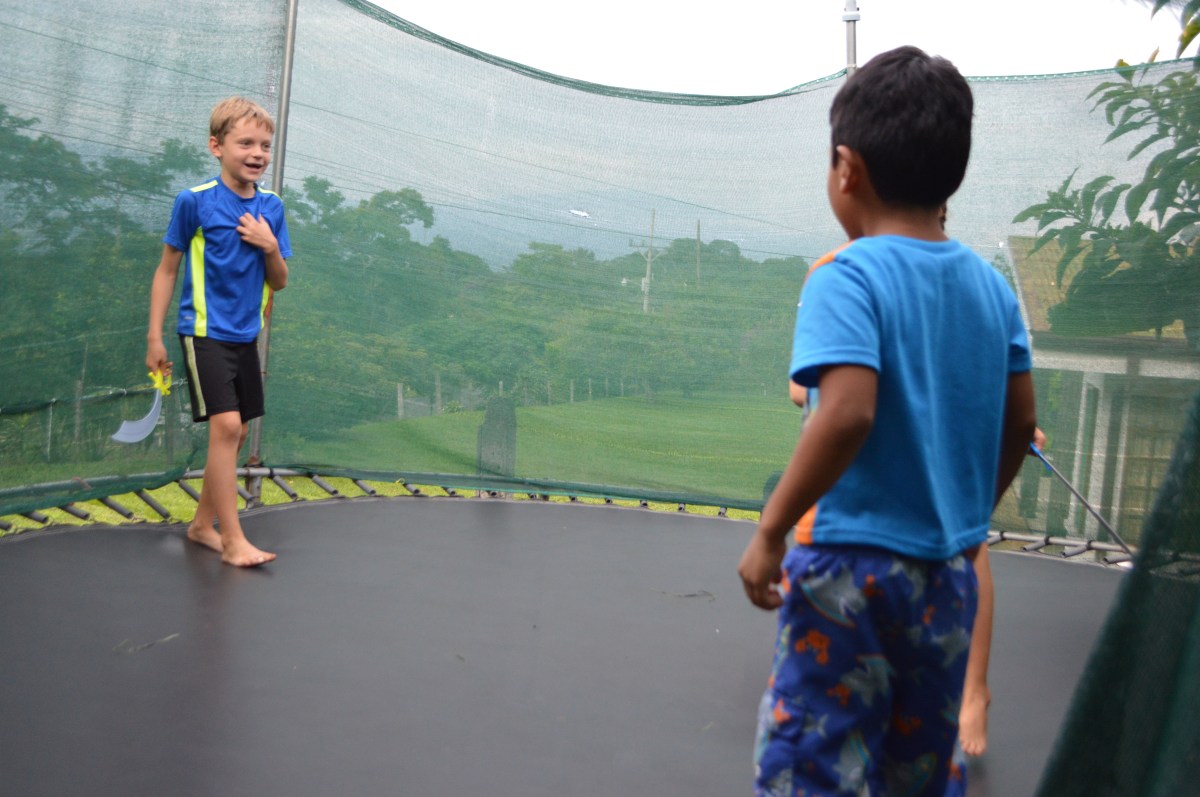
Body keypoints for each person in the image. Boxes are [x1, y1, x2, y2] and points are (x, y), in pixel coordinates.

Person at [738, 46, 1036, 796]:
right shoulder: (994, 291)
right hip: (945, 577)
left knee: (813, 762)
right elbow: (1018, 424)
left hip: (849, 568)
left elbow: (845, 412)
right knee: (920, 767)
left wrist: (772, 529)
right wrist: (969, 517)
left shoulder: (846, 275)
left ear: (847, 168)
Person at [145, 96, 291, 568]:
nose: (257, 153)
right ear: (216, 146)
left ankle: (201, 526)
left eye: (264, 145)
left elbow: (280, 280)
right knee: (226, 427)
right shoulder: (196, 201)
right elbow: (167, 269)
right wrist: (154, 337)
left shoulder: (272, 207)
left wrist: (269, 245)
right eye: (245, 143)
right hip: (203, 331)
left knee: (238, 430)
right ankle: (232, 539)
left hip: (246, 335)